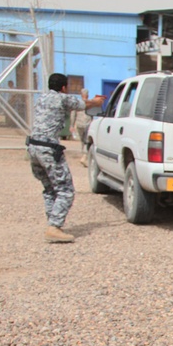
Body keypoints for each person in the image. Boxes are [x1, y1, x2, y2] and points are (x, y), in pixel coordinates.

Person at [27, 73, 104, 243]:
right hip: (48, 149)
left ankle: (52, 223)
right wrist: (97, 102)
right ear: (63, 88)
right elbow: (83, 104)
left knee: (49, 188)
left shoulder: (42, 98)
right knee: (65, 190)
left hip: (33, 147)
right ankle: (54, 227)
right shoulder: (62, 98)